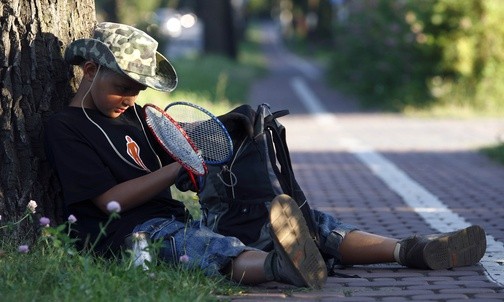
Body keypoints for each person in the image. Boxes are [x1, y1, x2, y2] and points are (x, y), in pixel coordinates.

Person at [44, 22, 328, 289]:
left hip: (174, 220)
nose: (130, 99)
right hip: (128, 236)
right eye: (122, 88)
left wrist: (206, 161)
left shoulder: (140, 117)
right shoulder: (66, 127)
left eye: (138, 91)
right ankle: (277, 266)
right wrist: (180, 165)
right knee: (205, 246)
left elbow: (182, 172)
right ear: (91, 71)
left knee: (299, 221)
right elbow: (110, 202)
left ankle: (343, 245)